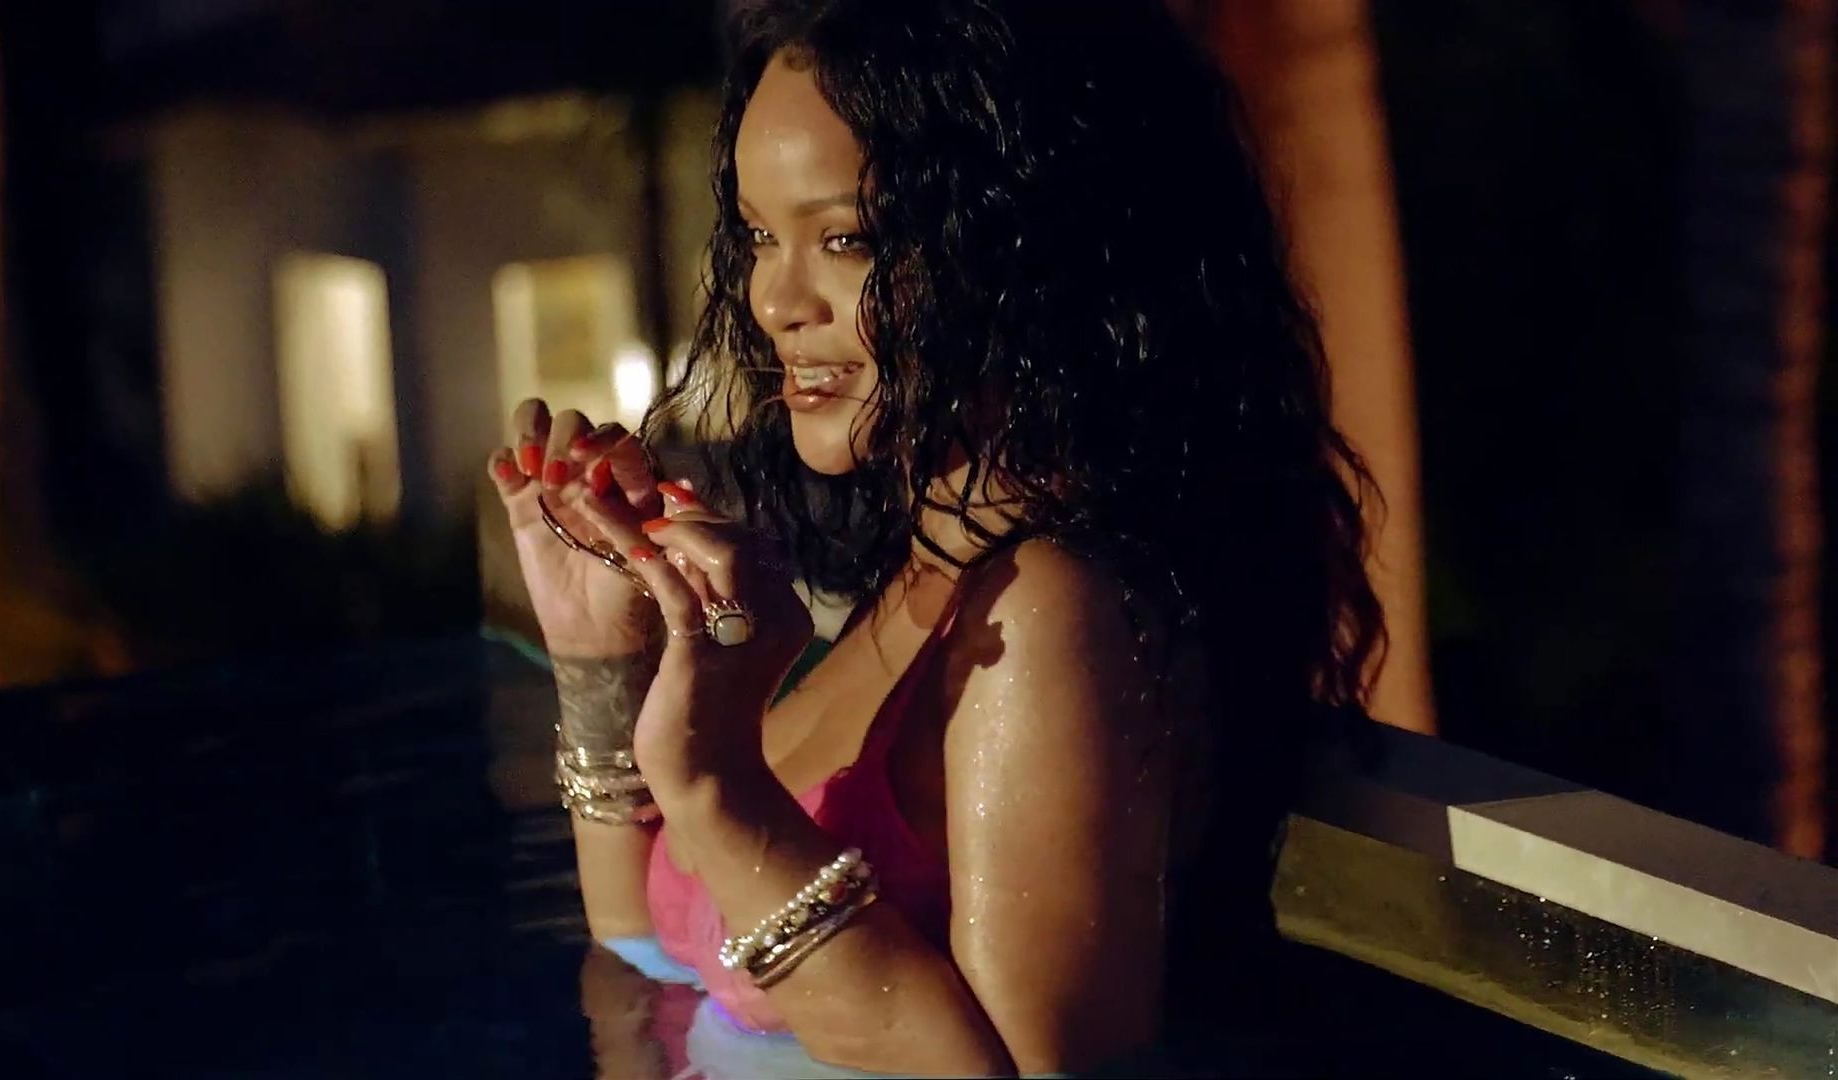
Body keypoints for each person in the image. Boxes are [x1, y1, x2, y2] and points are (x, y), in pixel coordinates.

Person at [487, 0, 1383, 1073]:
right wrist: (599, 662)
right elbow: (654, 966)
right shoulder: (925, 571)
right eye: (761, 235)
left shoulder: (1050, 613)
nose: (776, 299)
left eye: (846, 239)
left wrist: (717, 788)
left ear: (1031, 247)